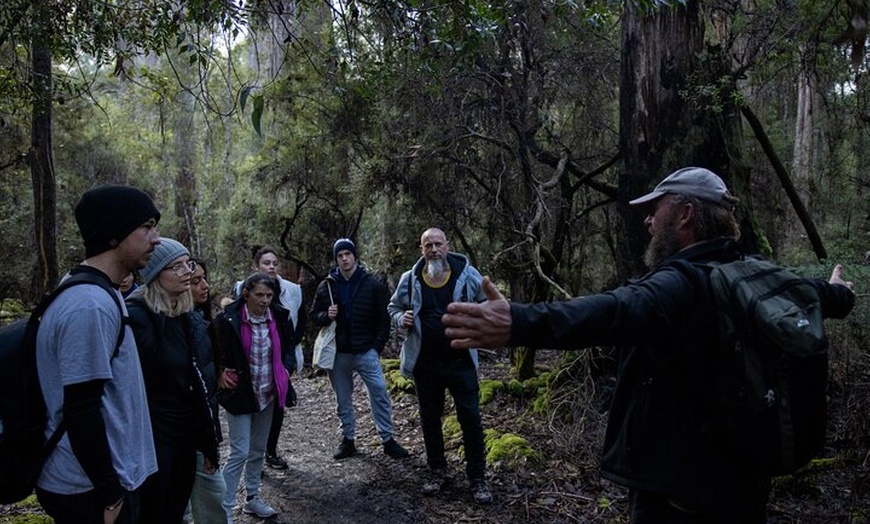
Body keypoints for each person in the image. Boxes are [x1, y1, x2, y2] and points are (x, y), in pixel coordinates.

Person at [442, 167, 857, 524]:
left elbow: (610, 311)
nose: (648, 222)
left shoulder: (677, 285)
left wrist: (519, 321)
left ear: (685, 214)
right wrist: (841, 293)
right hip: (745, 484)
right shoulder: (756, 275)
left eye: (656, 210)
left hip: (678, 496)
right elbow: (817, 293)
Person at [35, 185, 161, 524]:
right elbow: (81, 407)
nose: (156, 238)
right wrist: (110, 494)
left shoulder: (103, 291)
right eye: (146, 227)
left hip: (105, 479)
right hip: (87, 488)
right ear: (114, 234)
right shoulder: (89, 305)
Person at [388, 228, 492, 504]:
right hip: (425, 365)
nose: (434, 250)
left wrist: (475, 324)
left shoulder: (467, 274)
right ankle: (437, 471)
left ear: (447, 246)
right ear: (421, 249)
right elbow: (393, 307)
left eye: (438, 244)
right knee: (430, 420)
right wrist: (401, 319)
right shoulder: (410, 279)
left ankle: (477, 478)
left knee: (471, 419)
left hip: (461, 362)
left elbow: (488, 305)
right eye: (428, 245)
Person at [126, 239, 219, 523]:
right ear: (155, 273)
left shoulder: (186, 318)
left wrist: (207, 440)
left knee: (175, 512)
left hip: (184, 438)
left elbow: (197, 384)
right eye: (176, 266)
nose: (187, 272)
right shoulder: (136, 317)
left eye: (187, 264)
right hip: (152, 444)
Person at [310, 238, 409, 460]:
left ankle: (387, 439)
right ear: (336, 259)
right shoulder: (327, 285)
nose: (344, 259)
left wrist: (376, 347)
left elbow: (383, 318)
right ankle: (348, 439)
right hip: (339, 352)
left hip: (366, 351)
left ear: (355, 256)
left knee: (379, 392)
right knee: (343, 398)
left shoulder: (372, 284)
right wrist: (326, 315)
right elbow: (314, 315)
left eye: (348, 254)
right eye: (340, 255)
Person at [215, 272, 297, 521]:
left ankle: (252, 498)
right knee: (239, 451)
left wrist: (286, 369)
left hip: (268, 392)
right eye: (259, 295)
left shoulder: (279, 316)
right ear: (246, 293)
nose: (264, 300)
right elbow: (214, 351)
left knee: (258, 449)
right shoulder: (228, 319)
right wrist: (220, 372)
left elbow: (290, 347)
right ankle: (224, 508)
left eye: (269, 295)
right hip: (240, 394)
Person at [233, 246, 305, 470]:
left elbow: (299, 321)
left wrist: (287, 363)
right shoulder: (243, 288)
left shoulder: (292, 290)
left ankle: (270, 451)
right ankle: (254, 457)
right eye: (266, 263)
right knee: (254, 408)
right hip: (252, 360)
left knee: (277, 405)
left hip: (280, 358)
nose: (271, 267)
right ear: (256, 266)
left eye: (275, 263)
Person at [185, 258, 228, 524]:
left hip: (204, 427)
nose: (205, 286)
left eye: (204, 279)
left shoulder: (201, 321)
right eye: (195, 281)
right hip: (189, 433)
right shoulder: (180, 325)